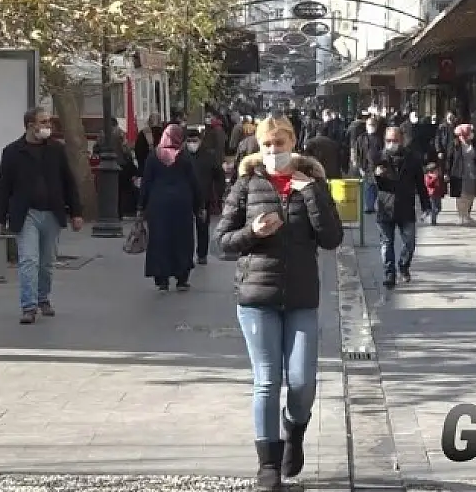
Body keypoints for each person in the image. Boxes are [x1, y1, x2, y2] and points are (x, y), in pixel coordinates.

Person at [214, 115, 344, 492]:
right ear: (259, 145)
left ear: (293, 142)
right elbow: (222, 242)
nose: (274, 151)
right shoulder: (246, 184)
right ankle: (267, 464)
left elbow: (332, 239)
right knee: (267, 381)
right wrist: (251, 234)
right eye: (267, 144)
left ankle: (295, 430)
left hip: (302, 297)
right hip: (257, 297)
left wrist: (312, 194)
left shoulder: (313, 182)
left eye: (280, 143)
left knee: (302, 383)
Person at [0, 107, 83, 324]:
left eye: (49, 122)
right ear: (30, 125)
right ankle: (29, 306)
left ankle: (43, 298)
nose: (48, 126)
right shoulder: (13, 152)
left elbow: (68, 182)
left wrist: (76, 212)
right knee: (28, 260)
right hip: (26, 214)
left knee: (46, 262)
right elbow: (4, 186)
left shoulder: (56, 149)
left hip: (52, 212)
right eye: (43, 122)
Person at [138, 124, 202, 291]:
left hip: (158, 204)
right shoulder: (185, 157)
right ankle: (181, 278)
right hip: (182, 204)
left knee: (160, 239)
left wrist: (141, 205)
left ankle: (162, 278)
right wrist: (199, 206)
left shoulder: (154, 156)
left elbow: (146, 182)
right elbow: (195, 183)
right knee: (182, 239)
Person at [371, 126, 431, 288]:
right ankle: (389, 273)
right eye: (388, 141)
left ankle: (403, 266)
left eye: (395, 140)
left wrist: (426, 205)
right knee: (387, 242)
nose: (392, 144)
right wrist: (376, 175)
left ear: (402, 140)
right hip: (385, 207)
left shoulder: (412, 159)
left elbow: (420, 184)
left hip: (406, 206)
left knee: (410, 243)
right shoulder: (379, 157)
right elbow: (371, 181)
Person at [184, 127, 225, 265]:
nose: (192, 144)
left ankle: (202, 254)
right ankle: (187, 254)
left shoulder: (208, 155)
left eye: (194, 141)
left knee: (202, 227)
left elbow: (219, 175)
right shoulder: (182, 155)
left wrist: (218, 194)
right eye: (189, 141)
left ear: (200, 141)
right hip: (186, 197)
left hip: (203, 197)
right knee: (186, 228)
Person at [446, 123, 476, 225]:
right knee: (460, 195)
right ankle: (461, 215)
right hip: (459, 173)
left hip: (472, 173)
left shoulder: (475, 144)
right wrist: (447, 172)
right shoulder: (455, 144)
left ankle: (467, 214)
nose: (472, 134)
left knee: (471, 194)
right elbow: (449, 159)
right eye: (469, 132)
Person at [355, 115, 384, 214]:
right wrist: (359, 167)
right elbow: (358, 153)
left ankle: (377, 205)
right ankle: (369, 206)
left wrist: (382, 165)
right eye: (369, 125)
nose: (371, 126)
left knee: (377, 187)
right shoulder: (361, 138)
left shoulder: (380, 138)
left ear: (376, 126)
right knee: (368, 187)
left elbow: (383, 152)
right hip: (366, 166)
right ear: (366, 126)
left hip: (377, 166)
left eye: (373, 125)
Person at [423, 161, 444, 226]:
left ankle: (426, 214)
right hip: (431, 194)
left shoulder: (438, 176)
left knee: (439, 208)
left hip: (438, 194)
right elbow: (428, 184)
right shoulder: (428, 176)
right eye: (436, 170)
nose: (437, 171)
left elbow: (440, 185)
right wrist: (434, 178)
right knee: (433, 208)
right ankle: (433, 221)